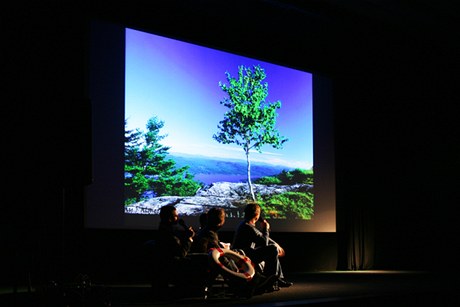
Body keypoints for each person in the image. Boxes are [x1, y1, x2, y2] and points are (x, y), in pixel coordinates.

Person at [191, 207, 277, 296]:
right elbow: (219, 254)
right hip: (214, 263)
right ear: (221, 222)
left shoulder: (208, 232)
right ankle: (251, 284)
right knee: (229, 258)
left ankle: (260, 280)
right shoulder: (210, 234)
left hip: (215, 261)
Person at [232, 202, 293, 289]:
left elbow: (261, 237)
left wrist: (276, 244)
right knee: (272, 249)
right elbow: (264, 243)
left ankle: (277, 279)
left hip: (247, 253)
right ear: (257, 215)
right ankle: (270, 279)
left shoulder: (247, 225)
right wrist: (266, 229)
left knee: (274, 248)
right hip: (244, 255)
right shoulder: (247, 227)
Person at [153, 205, 207, 299]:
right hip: (172, 265)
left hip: (169, 263)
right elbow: (181, 253)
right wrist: (189, 239)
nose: (177, 218)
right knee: (203, 259)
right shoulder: (167, 234)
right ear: (169, 218)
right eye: (175, 216)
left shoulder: (165, 230)